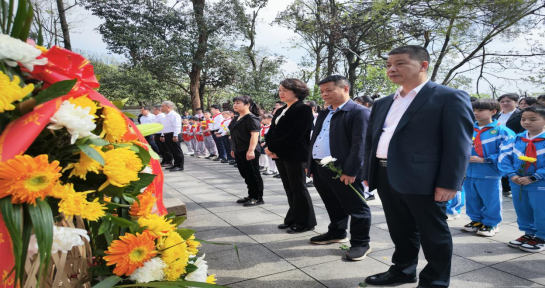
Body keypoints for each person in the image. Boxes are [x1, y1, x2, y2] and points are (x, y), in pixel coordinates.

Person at [363, 45, 473, 287]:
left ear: (423, 65)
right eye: (389, 64)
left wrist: (449, 182)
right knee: (400, 229)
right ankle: (402, 270)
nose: (392, 69)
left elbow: (459, 145)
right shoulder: (383, 102)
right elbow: (372, 141)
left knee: (433, 233)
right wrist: (368, 172)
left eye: (400, 63)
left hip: (425, 178)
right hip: (385, 174)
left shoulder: (448, 97)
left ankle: (435, 281)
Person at [307, 75, 372, 260]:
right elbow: (316, 138)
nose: (324, 94)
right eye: (321, 92)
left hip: (343, 169)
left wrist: (350, 171)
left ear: (345, 89)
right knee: (332, 203)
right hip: (321, 166)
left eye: (329, 90)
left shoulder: (359, 112)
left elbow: (360, 145)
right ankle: (336, 232)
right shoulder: (325, 112)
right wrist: (311, 164)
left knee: (356, 207)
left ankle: (361, 243)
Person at [264, 79, 317, 234]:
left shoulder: (303, 109)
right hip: (280, 153)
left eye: (285, 90)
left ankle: (305, 222)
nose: (281, 93)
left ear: (297, 91)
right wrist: (268, 146)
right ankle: (293, 217)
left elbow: (295, 135)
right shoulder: (281, 110)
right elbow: (272, 131)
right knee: (289, 187)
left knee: (298, 188)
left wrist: (272, 147)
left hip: (295, 154)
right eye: (280, 90)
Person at [461, 99, 515, 237]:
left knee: (491, 199)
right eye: (474, 110)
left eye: (480, 110)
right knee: (472, 198)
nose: (476, 113)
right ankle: (476, 220)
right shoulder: (467, 128)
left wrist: (485, 159)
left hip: (489, 171)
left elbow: (509, 153)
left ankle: (491, 223)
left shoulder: (502, 131)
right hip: (468, 170)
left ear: (493, 111)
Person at [499, 105, 545, 253]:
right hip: (518, 182)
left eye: (533, 119)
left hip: (539, 184)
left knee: (541, 210)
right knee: (522, 209)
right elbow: (504, 157)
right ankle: (528, 234)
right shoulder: (516, 138)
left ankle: (542, 237)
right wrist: (512, 174)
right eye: (523, 119)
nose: (527, 122)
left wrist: (534, 177)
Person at [229, 95, 264, 206]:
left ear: (247, 105)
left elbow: (254, 135)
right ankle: (251, 195)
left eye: (238, 103)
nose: (235, 105)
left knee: (253, 174)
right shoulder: (236, 118)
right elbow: (235, 135)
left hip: (249, 150)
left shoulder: (251, 118)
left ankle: (258, 197)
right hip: (239, 149)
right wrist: (233, 148)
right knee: (246, 174)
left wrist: (251, 150)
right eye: (234, 103)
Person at [493, 93, 525, 197]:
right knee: (499, 163)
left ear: (516, 102)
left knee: (511, 165)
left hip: (514, 144)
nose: (505, 103)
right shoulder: (496, 115)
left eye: (508, 101)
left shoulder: (521, 114)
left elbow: (523, 129)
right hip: (496, 145)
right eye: (502, 101)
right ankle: (505, 189)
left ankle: (513, 187)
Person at [160, 101, 184, 172]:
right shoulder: (166, 115)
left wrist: (175, 135)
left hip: (173, 134)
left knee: (177, 151)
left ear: (168, 107)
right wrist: (162, 134)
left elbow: (177, 126)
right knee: (172, 151)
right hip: (167, 134)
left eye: (162, 106)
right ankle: (175, 164)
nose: (161, 108)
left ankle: (180, 165)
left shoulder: (174, 115)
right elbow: (164, 126)